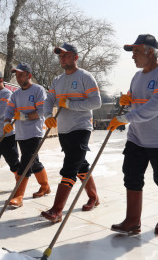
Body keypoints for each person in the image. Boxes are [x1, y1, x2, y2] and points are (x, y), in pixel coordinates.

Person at [108, 34, 158, 235]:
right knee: (131, 176)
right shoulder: (137, 77)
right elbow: (135, 100)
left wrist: (124, 118)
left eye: (136, 51)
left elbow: (155, 106)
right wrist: (126, 100)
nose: (133, 56)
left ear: (150, 51)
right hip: (137, 138)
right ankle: (132, 221)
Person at [40, 43, 102, 223]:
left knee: (69, 167)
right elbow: (49, 99)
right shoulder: (57, 80)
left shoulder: (85, 77)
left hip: (81, 127)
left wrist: (71, 105)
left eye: (65, 55)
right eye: (60, 56)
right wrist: (47, 115)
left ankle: (56, 210)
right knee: (80, 164)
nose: (62, 59)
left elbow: (96, 102)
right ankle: (93, 197)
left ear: (75, 57)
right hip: (64, 128)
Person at [3, 62, 51, 208]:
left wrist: (25, 116)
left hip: (35, 132)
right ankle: (45, 186)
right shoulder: (16, 94)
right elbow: (9, 110)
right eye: (16, 75)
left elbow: (42, 110)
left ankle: (18, 195)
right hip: (21, 133)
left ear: (29, 75)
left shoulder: (38, 90)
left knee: (26, 161)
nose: (17, 78)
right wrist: (6, 121)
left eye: (21, 75)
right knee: (33, 161)